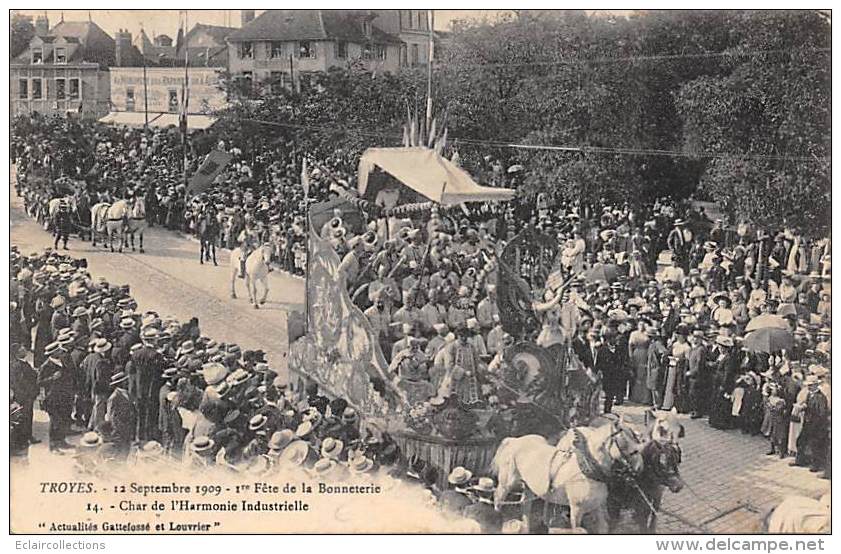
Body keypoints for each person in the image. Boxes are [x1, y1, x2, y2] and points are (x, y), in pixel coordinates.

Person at [37, 341, 75, 452]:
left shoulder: (62, 361)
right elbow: (39, 382)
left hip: (64, 395)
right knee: (55, 422)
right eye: (58, 350)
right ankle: (53, 446)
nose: (61, 351)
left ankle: (62, 441)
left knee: (63, 420)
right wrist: (52, 378)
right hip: (53, 398)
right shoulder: (46, 366)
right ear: (53, 353)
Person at [10, 343, 39, 445]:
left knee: (29, 416)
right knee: (24, 418)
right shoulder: (17, 365)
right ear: (18, 353)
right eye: (23, 349)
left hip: (27, 395)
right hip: (24, 396)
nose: (25, 350)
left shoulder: (23, 363)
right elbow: (20, 382)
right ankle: (22, 440)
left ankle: (28, 437)